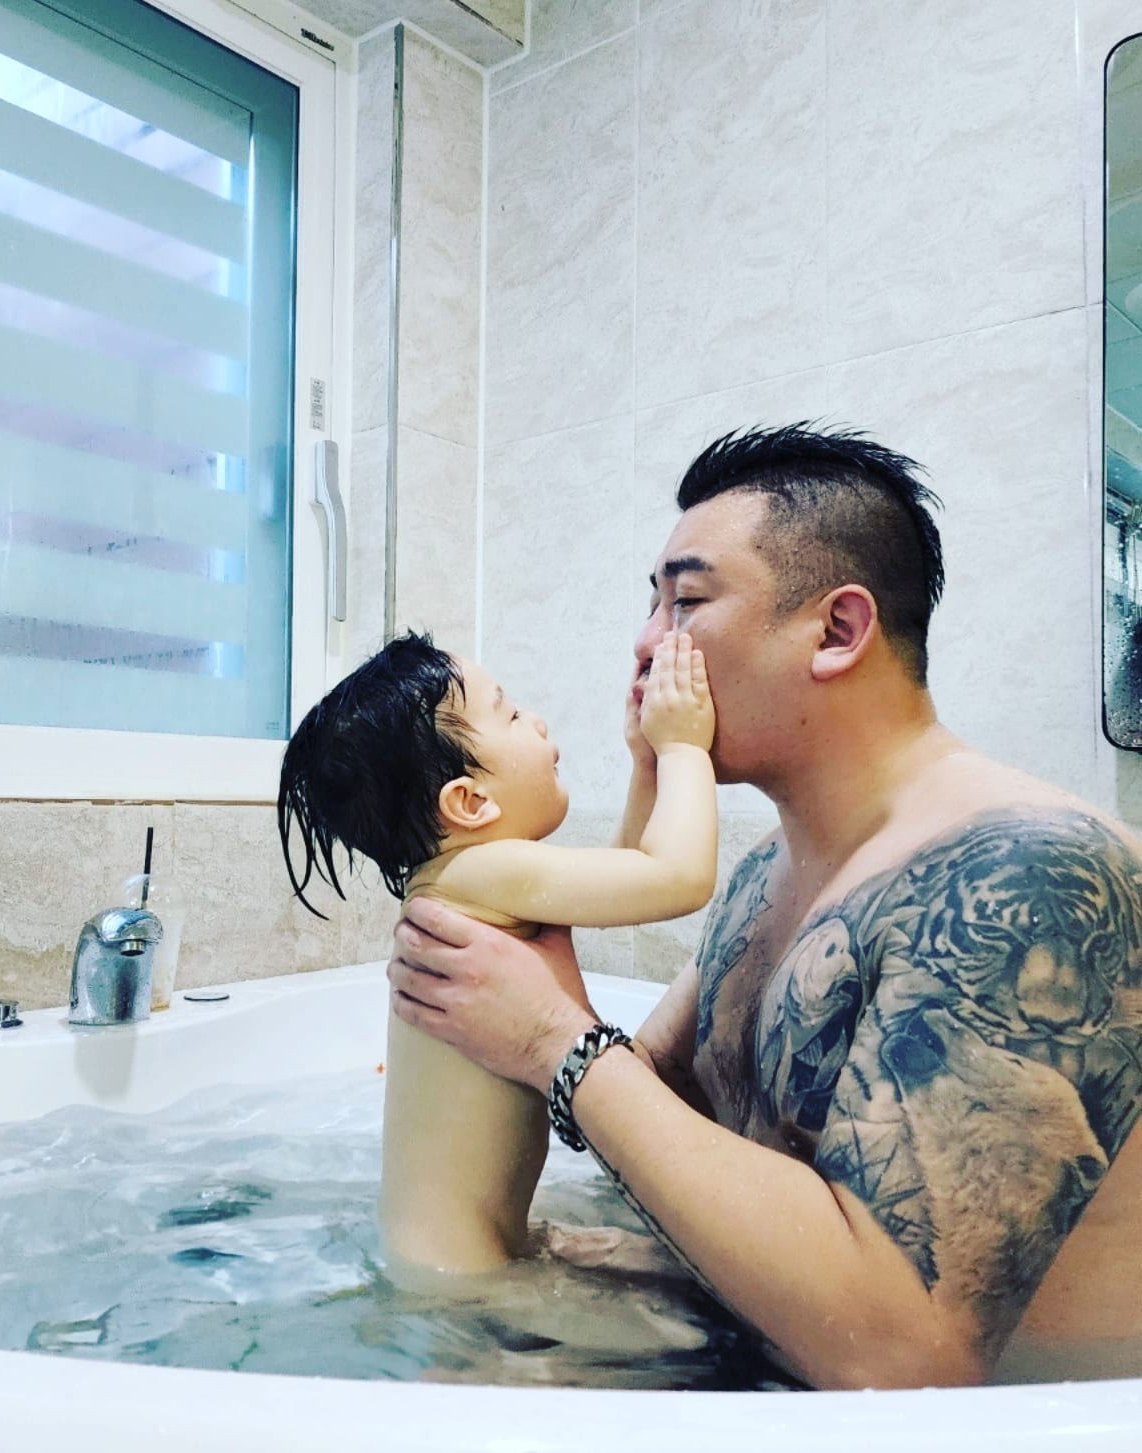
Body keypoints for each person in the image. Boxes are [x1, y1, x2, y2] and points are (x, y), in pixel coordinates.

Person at [386, 423, 1142, 1388]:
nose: (647, 643)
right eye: (650, 605)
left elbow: (903, 1358)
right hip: (760, 1365)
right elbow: (645, 1109)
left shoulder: (1027, 875)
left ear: (836, 631)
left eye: (685, 601)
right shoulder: (763, 871)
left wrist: (547, 1039)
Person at [278, 628, 718, 1278]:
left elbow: (627, 870)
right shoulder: (484, 874)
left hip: (451, 1251)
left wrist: (647, 763)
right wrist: (684, 745)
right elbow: (677, 877)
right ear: (470, 801)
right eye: (509, 714)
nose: (536, 721)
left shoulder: (464, 880)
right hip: (464, 1274)